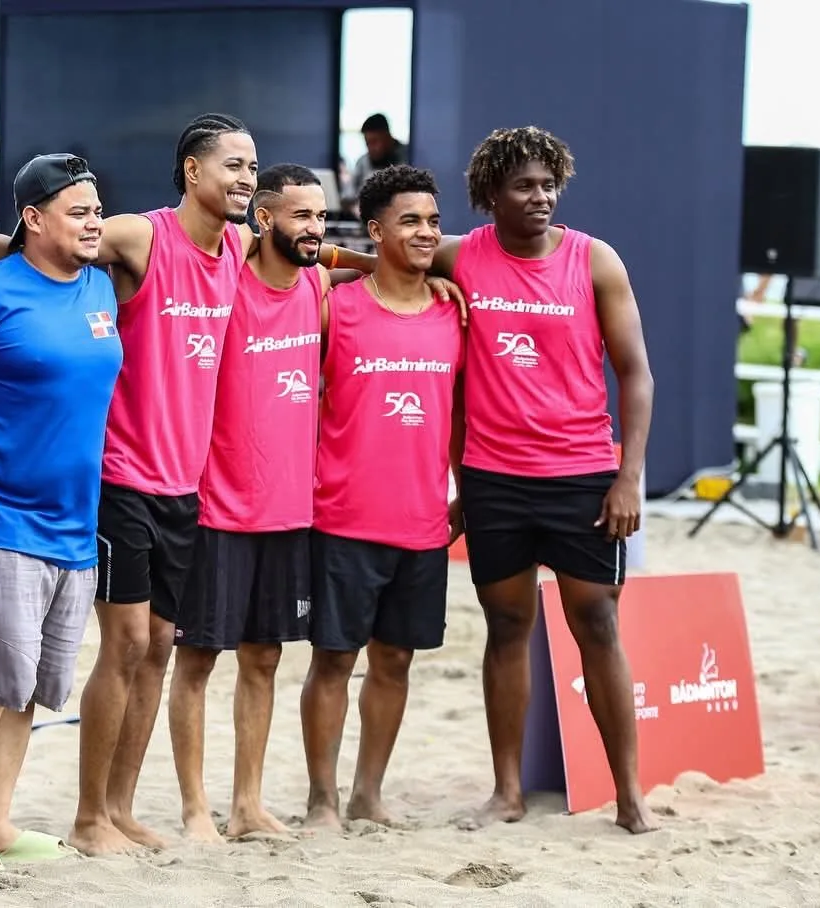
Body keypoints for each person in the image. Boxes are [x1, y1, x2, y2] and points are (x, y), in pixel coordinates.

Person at [0, 114, 416, 853]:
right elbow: (36, 250)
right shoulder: (140, 236)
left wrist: (414, 263)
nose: (246, 176)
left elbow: (320, 249)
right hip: (121, 476)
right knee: (126, 642)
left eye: (252, 165)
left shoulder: (240, 247)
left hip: (183, 487)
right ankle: (89, 817)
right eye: (232, 163)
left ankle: (120, 808)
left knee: (157, 643)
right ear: (192, 172)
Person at [434, 126, 655, 834]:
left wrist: (629, 478)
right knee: (506, 627)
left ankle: (629, 796)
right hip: (496, 480)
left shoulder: (595, 261)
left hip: (582, 476)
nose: (542, 197)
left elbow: (636, 375)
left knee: (597, 624)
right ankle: (507, 792)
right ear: (490, 195)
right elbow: (382, 264)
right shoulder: (463, 256)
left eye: (549, 184)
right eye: (525, 186)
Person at [0, 152, 122, 875]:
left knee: (33, 684)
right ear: (33, 219)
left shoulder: (101, 288)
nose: (94, 222)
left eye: (98, 211)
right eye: (79, 211)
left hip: (72, 525)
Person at [166, 163, 329, 842]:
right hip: (219, 508)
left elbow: (366, 262)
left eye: (322, 217)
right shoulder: (225, 279)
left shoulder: (319, 283)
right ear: (264, 219)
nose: (315, 229)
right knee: (198, 659)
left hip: (291, 512)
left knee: (264, 658)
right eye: (301, 216)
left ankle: (246, 805)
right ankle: (196, 809)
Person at [299, 165, 465, 832]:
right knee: (333, 660)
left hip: (423, 524)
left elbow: (465, 415)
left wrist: (464, 490)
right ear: (375, 230)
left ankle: (368, 794)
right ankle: (322, 800)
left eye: (432, 221)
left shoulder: (456, 311)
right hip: (341, 518)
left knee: (394, 660)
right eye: (410, 221)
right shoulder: (335, 307)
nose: (426, 232)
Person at [343, 113, 407, 214]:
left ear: (387, 137)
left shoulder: (407, 157)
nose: (371, 148)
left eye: (375, 142)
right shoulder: (362, 162)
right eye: (368, 143)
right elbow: (348, 196)